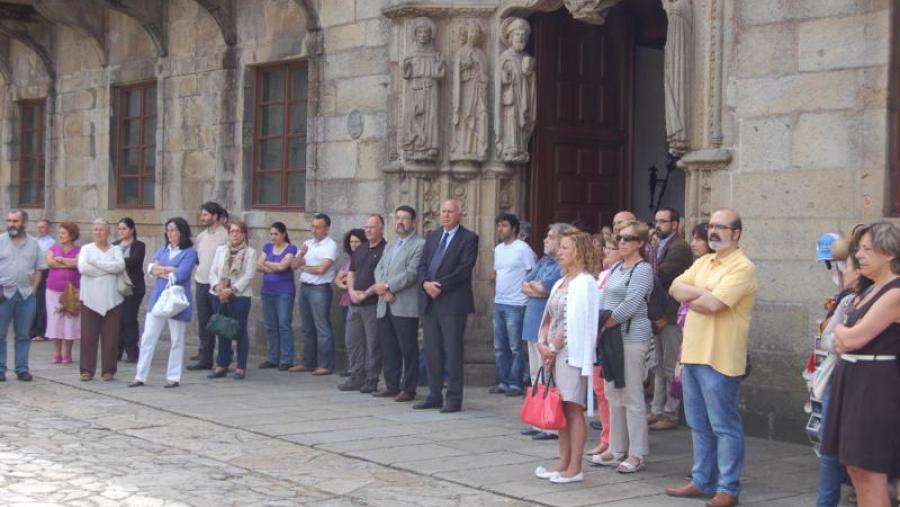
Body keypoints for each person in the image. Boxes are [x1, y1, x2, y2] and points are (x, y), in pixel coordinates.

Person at [666, 208, 758, 507]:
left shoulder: (743, 267)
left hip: (720, 358)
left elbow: (714, 305)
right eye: (711, 226)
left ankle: (728, 488)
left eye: (721, 227)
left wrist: (695, 296)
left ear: (737, 233)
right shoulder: (704, 262)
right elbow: (674, 288)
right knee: (698, 425)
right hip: (692, 355)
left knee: (724, 427)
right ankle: (702, 481)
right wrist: (703, 294)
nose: (713, 232)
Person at [822, 222, 900, 507]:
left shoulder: (895, 292)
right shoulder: (868, 290)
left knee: (871, 473)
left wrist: (842, 332)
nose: (859, 255)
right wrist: (843, 334)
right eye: (860, 249)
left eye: (868, 249)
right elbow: (837, 337)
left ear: (889, 253)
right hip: (853, 378)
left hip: (874, 384)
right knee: (855, 469)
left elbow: (852, 337)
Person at [533, 230, 600, 484]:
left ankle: (575, 467)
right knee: (559, 407)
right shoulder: (561, 281)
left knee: (573, 407)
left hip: (570, 354)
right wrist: (542, 343)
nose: (559, 252)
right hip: (552, 351)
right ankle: (563, 462)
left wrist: (554, 347)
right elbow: (549, 316)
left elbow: (578, 321)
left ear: (578, 252)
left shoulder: (585, 282)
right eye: (560, 247)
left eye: (565, 248)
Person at [593, 221, 655, 474]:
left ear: (640, 243)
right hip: (611, 337)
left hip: (631, 337)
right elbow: (604, 297)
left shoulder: (643, 269)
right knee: (613, 392)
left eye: (628, 239)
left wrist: (604, 324)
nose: (621, 242)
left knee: (632, 395)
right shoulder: (617, 267)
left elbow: (631, 304)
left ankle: (636, 453)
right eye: (620, 238)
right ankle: (616, 448)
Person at [816, 246, 871, 507]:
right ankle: (826, 501)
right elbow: (827, 339)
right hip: (840, 376)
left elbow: (860, 341)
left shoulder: (883, 299)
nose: (842, 272)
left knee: (863, 448)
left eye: (846, 266)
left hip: (868, 382)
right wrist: (846, 339)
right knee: (828, 441)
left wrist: (845, 338)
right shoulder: (848, 301)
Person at [414, 199, 479, 413]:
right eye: (443, 211)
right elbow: (422, 265)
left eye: (450, 211)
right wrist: (425, 283)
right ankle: (434, 395)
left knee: (452, 352)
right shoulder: (432, 236)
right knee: (432, 351)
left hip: (453, 302)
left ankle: (453, 398)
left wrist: (439, 286)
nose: (446, 215)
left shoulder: (469, 238)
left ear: (460, 214)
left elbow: (464, 269)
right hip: (430, 301)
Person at [129, 218, 198, 388]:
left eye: (173, 230)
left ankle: (173, 377)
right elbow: (150, 268)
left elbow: (181, 275)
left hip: (177, 300)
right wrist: (168, 269)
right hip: (158, 297)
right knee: (148, 337)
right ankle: (140, 376)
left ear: (181, 232)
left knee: (176, 339)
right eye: (168, 230)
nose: (170, 233)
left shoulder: (189, 253)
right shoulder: (163, 249)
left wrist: (161, 270)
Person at [521, 222, 571, 441]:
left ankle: (550, 424)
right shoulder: (543, 261)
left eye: (551, 237)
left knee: (549, 374)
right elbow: (524, 284)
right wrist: (535, 289)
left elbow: (543, 288)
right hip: (532, 324)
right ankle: (538, 419)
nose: (545, 240)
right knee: (536, 373)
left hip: (547, 327)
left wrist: (535, 288)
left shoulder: (561, 265)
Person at [370, 206, 425, 401]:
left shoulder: (420, 244)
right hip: (385, 304)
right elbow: (379, 268)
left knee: (408, 349)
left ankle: (408, 388)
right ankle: (392, 385)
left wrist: (387, 286)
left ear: (413, 222)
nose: (400, 222)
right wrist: (383, 289)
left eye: (404, 218)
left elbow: (412, 273)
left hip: (404, 305)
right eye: (397, 218)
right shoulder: (391, 245)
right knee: (388, 347)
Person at [649, 207, 694, 431]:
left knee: (670, 366)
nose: (658, 225)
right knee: (657, 365)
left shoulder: (680, 248)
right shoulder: (657, 245)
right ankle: (657, 410)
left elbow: (660, 276)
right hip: (657, 315)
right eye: (656, 221)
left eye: (663, 221)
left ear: (675, 224)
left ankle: (671, 413)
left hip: (670, 316)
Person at [339, 214, 387, 393]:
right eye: (366, 227)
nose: (368, 230)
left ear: (381, 229)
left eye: (372, 227)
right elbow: (351, 272)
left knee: (373, 343)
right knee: (352, 341)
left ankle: (371, 378)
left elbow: (384, 278)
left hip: (372, 303)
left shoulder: (385, 250)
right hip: (354, 303)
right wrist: (351, 291)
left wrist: (366, 294)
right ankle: (356, 376)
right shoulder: (360, 249)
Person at [208, 220, 259, 381]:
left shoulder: (250, 253)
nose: (235, 234)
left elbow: (249, 275)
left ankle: (240, 367)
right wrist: (217, 287)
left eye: (238, 231)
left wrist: (231, 290)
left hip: (239, 297)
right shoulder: (221, 250)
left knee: (239, 330)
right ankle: (222, 365)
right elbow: (212, 272)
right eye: (232, 231)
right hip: (220, 295)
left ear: (244, 234)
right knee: (223, 330)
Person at [491, 212, 535, 396]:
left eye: (504, 225)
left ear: (514, 228)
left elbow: (532, 272)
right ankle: (503, 381)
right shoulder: (498, 249)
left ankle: (516, 383)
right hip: (499, 302)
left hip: (517, 304)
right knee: (499, 346)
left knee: (515, 347)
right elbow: (497, 273)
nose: (500, 229)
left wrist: (527, 293)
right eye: (498, 225)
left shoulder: (523, 248)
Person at [77, 219, 126, 382]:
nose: (98, 232)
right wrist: (107, 269)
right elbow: (83, 268)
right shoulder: (86, 249)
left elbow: (119, 266)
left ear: (108, 232)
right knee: (88, 336)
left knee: (111, 336)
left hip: (112, 298)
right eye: (95, 230)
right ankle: (86, 370)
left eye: (101, 230)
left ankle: (108, 370)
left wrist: (97, 264)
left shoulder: (116, 249)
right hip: (90, 298)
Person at [0, 209, 46, 382]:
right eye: (9, 221)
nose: (11, 224)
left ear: (24, 223)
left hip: (26, 295)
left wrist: (34, 288)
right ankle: (0, 369)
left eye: (15, 221)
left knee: (24, 334)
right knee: (0, 334)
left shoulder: (34, 244)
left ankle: (22, 369)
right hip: (4, 294)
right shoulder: (1, 241)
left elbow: (39, 268)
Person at [290, 213, 339, 375]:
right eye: (313, 226)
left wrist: (304, 267)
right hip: (305, 287)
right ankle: (308, 362)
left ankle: (326, 364)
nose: (314, 230)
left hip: (320, 289)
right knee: (307, 328)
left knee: (322, 328)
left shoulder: (330, 245)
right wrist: (301, 254)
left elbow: (321, 269)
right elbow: (294, 265)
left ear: (327, 229)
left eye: (318, 227)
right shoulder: (307, 243)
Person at [587, 237, 623, 455]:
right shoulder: (601, 275)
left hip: (610, 336)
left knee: (612, 393)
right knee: (600, 391)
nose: (606, 252)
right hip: (596, 338)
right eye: (606, 248)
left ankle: (615, 440)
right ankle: (606, 437)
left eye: (612, 248)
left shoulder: (620, 276)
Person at [186, 202, 228, 371]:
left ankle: (224, 359)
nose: (202, 218)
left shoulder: (225, 235)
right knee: (204, 322)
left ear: (215, 216)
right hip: (202, 283)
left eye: (205, 215)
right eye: (202, 215)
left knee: (221, 322)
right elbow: (198, 259)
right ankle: (205, 359)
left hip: (218, 285)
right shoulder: (201, 236)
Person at [257, 222, 298, 371]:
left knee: (284, 325)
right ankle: (272, 358)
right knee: (270, 326)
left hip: (284, 292)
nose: (273, 237)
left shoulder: (291, 248)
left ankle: (286, 359)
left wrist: (267, 263)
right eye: (271, 234)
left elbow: (282, 266)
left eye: (276, 234)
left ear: (283, 234)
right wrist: (275, 266)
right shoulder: (267, 247)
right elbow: (258, 265)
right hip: (267, 291)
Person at [45, 222, 81, 364]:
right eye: (59, 233)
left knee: (70, 321)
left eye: (63, 233)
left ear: (72, 235)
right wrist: (67, 264)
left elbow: (78, 263)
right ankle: (57, 353)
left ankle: (68, 353)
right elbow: (50, 263)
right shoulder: (53, 248)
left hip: (73, 290)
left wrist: (62, 261)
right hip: (53, 290)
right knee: (55, 321)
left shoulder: (80, 250)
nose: (60, 235)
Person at [334, 228, 365, 377]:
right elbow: (337, 279)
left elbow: (358, 278)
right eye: (351, 241)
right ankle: (352, 366)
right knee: (349, 337)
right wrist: (345, 285)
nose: (354, 244)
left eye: (357, 241)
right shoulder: (348, 260)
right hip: (345, 301)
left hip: (358, 301)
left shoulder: (364, 258)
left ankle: (358, 368)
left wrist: (347, 281)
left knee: (359, 338)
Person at [115, 218, 146, 363]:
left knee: (129, 318)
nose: (121, 231)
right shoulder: (114, 245)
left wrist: (116, 262)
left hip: (133, 287)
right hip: (117, 287)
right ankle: (117, 352)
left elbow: (135, 261)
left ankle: (132, 352)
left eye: (124, 228)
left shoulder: (139, 245)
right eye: (120, 229)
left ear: (132, 230)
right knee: (118, 320)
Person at [30, 218, 55, 342]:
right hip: (32, 273)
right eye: (38, 227)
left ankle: (41, 331)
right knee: (31, 303)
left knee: (41, 303)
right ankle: (31, 330)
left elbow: (37, 257)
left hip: (44, 273)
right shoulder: (34, 240)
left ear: (48, 229)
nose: (40, 229)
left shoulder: (50, 243)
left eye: (43, 227)